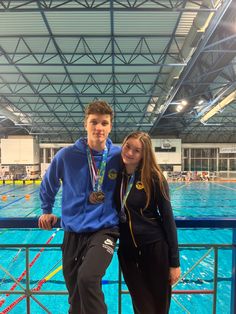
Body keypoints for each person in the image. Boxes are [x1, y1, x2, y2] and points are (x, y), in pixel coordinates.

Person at [38, 100, 121, 314]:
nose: (99, 128)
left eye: (104, 123)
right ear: (86, 124)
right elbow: (49, 183)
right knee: (75, 294)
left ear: (110, 126)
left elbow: (141, 173)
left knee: (88, 277)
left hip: (105, 231)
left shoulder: (118, 156)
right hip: (73, 233)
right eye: (94, 122)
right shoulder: (67, 155)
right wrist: (46, 210)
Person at [115, 131, 181, 314]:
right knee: (142, 307)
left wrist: (174, 263)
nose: (130, 152)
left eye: (137, 150)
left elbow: (168, 219)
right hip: (128, 254)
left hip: (155, 249)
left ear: (144, 154)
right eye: (128, 146)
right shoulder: (114, 176)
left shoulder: (154, 177)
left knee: (159, 308)